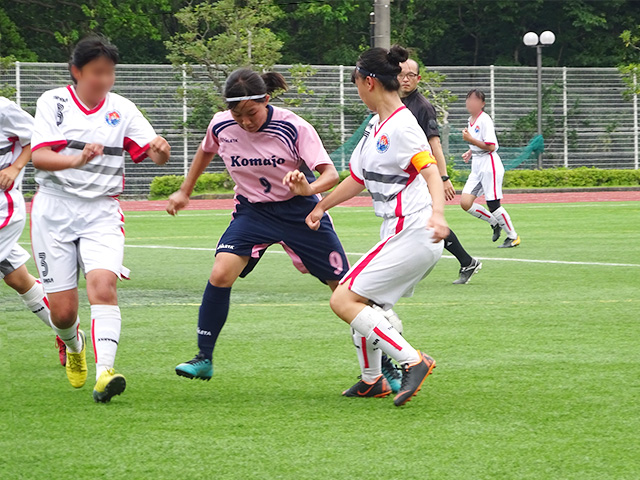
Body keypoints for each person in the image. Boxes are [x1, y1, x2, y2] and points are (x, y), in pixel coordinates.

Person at [167, 68, 352, 383]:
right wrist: (185, 190)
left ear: (266, 100)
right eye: (237, 115)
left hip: (300, 211)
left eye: (251, 113)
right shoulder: (221, 124)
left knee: (344, 292)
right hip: (253, 213)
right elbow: (205, 151)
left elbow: (330, 175)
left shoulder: (293, 127)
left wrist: (307, 188)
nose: (245, 122)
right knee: (220, 272)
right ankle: (204, 358)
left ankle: (384, 362)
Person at [306, 45, 450, 407]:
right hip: (399, 232)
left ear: (369, 82)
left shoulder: (403, 126)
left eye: (356, 83)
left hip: (415, 231)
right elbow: (358, 178)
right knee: (364, 303)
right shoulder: (376, 124)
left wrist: (438, 213)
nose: (356, 89)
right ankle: (373, 380)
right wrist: (320, 205)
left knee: (343, 299)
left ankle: (412, 361)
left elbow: (430, 169)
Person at [30, 36, 171, 403]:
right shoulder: (53, 102)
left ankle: (105, 372)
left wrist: (161, 151)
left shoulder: (121, 108)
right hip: (54, 210)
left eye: (109, 73)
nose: (104, 80)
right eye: (96, 73)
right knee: (62, 312)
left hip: (102, 210)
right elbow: (41, 158)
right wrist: (76, 160)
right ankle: (71, 342)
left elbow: (155, 156)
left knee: (104, 286)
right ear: (76, 71)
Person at [398, 59, 483, 284]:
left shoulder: (422, 107)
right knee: (419, 221)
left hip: (422, 173)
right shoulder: (393, 101)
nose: (405, 79)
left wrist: (443, 178)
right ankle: (467, 261)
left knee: (421, 220)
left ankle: (465, 261)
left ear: (418, 78)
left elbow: (434, 144)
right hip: (405, 174)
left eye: (410, 75)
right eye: (401, 74)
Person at [0, 96, 66, 366]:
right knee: (17, 278)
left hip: (2, 207)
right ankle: (66, 330)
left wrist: (15, 167)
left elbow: (37, 137)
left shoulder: (3, 108)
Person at [460, 89, 520, 248]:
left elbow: (491, 146)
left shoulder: (484, 120)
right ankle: (495, 223)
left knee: (493, 204)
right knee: (465, 203)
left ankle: (513, 236)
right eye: (468, 99)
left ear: (482, 104)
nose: (470, 102)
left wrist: (470, 140)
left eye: (475, 100)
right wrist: (470, 151)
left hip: (489, 164)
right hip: (477, 164)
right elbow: (479, 143)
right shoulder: (470, 119)